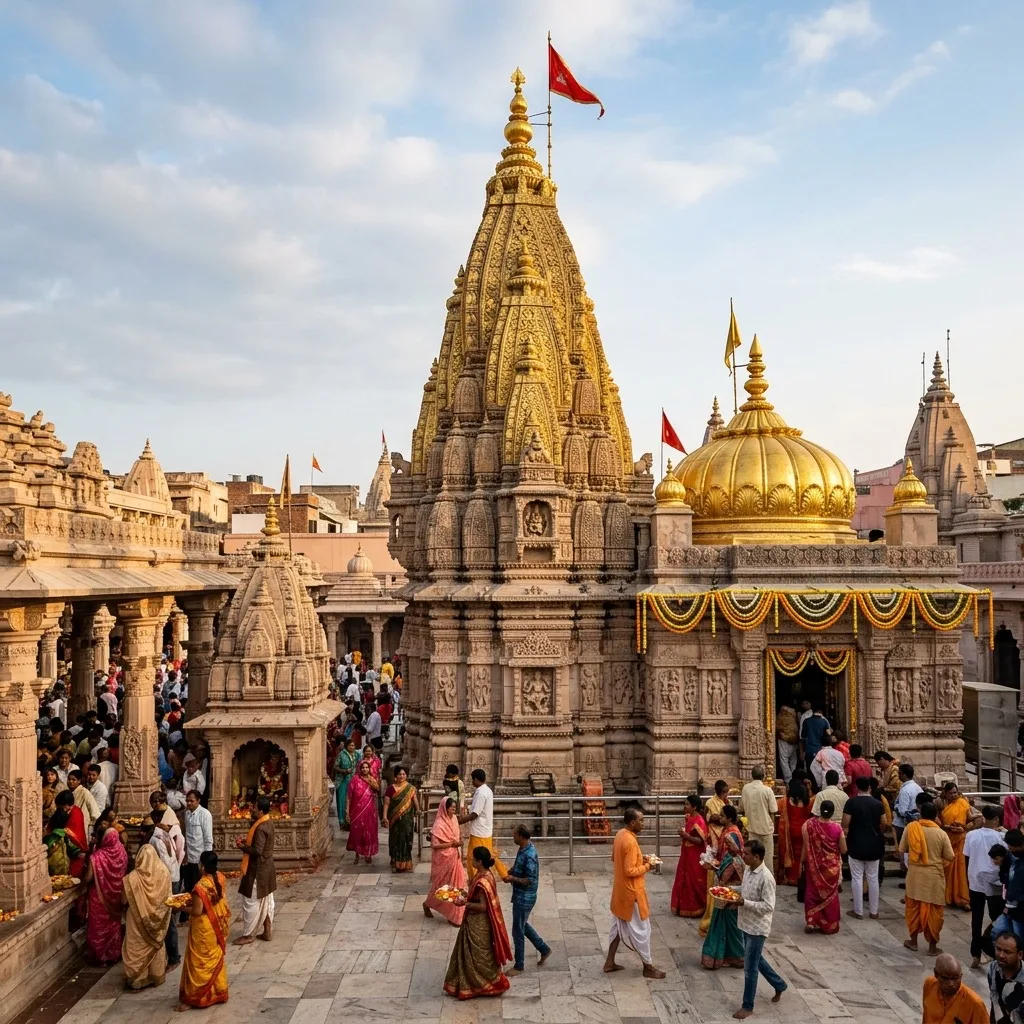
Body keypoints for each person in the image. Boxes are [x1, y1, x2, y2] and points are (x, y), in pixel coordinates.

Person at [443, 846, 512, 999]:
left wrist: (464, 903)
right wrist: (461, 894)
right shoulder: (485, 874)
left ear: (479, 861)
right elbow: (475, 897)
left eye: (473, 859)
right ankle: (469, 982)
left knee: (478, 955)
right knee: (471, 954)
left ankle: (482, 984)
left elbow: (482, 906)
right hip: (473, 921)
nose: (471, 861)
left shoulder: (484, 881)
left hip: (479, 924)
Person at [604, 807, 665, 978]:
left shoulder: (620, 834)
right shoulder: (630, 841)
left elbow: (616, 859)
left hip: (620, 892)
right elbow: (630, 870)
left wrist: (641, 858)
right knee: (642, 931)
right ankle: (648, 966)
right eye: (641, 820)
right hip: (632, 895)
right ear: (632, 822)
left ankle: (609, 962)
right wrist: (648, 865)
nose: (643, 824)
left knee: (617, 928)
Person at [732, 840, 787, 1020]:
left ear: (756, 856)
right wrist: (730, 891)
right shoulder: (749, 869)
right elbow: (745, 889)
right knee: (756, 959)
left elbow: (768, 906)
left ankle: (748, 1006)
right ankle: (779, 984)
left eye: (746, 854)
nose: (743, 856)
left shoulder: (766, 877)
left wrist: (744, 902)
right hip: (746, 922)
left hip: (757, 927)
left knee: (750, 968)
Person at [178, 850, 232, 1011]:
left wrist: (181, 907)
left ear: (202, 866)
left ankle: (195, 997)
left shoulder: (200, 887)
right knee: (213, 959)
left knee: (199, 962)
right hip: (217, 926)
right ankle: (217, 992)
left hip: (204, 929)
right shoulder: (221, 878)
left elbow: (196, 911)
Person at [900, 800, 955, 955]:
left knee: (913, 908)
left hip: (915, 876)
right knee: (934, 912)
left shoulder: (911, 828)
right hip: (934, 877)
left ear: (920, 814)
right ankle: (932, 947)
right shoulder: (941, 833)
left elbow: (902, 849)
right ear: (936, 815)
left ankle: (913, 942)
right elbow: (950, 856)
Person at [701, 804, 745, 970]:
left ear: (730, 819)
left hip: (730, 886)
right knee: (723, 921)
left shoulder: (732, 834)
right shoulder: (728, 832)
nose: (719, 817)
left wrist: (719, 875)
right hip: (725, 883)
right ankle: (726, 955)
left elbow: (734, 860)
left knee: (731, 923)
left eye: (722, 815)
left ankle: (736, 956)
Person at [122, 843, 171, 992]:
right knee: (155, 944)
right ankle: (155, 975)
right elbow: (169, 898)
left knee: (135, 944)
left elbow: (123, 900)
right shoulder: (164, 872)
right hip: (159, 917)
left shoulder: (132, 878)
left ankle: (138, 978)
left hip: (137, 917)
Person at [504, 824, 550, 975]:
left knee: (517, 929)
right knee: (522, 924)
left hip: (525, 897)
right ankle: (543, 948)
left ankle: (519, 965)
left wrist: (513, 878)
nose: (513, 837)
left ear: (522, 837)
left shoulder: (530, 854)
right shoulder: (522, 849)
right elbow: (520, 869)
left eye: (515, 835)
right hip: (519, 894)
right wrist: (512, 871)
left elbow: (529, 879)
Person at [84, 824, 129, 965]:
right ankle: (113, 953)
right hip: (116, 895)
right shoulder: (122, 851)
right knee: (113, 924)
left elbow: (88, 878)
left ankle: (100, 956)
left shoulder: (97, 856)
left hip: (99, 896)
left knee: (99, 925)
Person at [842, 775, 885, 920]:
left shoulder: (851, 803)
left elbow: (845, 824)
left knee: (857, 877)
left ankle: (858, 911)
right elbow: (884, 823)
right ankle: (874, 911)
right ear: (870, 788)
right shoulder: (878, 804)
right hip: (874, 843)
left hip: (856, 843)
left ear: (856, 787)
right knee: (872, 878)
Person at [235, 797, 276, 945]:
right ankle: (267, 931)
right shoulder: (268, 822)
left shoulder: (261, 827)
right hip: (267, 868)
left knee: (250, 901)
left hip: (258, 870)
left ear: (260, 811)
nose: (251, 809)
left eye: (254, 807)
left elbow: (257, 850)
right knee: (266, 900)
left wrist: (242, 846)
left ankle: (248, 935)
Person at [801, 800, 846, 934]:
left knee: (812, 892)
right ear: (832, 813)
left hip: (814, 866)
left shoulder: (808, 825)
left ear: (819, 810)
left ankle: (811, 921)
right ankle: (829, 924)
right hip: (831, 870)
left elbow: (805, 846)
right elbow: (844, 850)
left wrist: (802, 862)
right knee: (830, 896)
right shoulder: (837, 828)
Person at [423, 796, 467, 926]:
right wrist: (451, 844)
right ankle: (427, 904)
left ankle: (453, 914)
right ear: (445, 808)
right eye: (452, 807)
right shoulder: (439, 824)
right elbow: (434, 845)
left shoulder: (454, 819)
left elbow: (457, 837)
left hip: (455, 856)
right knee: (442, 887)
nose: (454, 810)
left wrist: (458, 843)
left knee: (457, 884)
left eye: (455, 807)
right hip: (443, 858)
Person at [460, 769, 507, 881]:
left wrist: (460, 821)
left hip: (479, 832)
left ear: (476, 779)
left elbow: (475, 814)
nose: (472, 782)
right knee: (489, 855)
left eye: (472, 779)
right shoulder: (487, 790)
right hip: (485, 830)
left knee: (474, 858)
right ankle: (503, 874)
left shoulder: (481, 793)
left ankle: (475, 880)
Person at [699, 780, 732, 937]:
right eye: (724, 792)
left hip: (724, 847)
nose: (726, 795)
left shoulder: (728, 803)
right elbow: (707, 817)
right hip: (715, 842)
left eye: (727, 792)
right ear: (719, 792)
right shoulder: (711, 802)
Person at [917, 953, 988, 1023]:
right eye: (945, 978)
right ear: (936, 974)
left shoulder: (975, 1003)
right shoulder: (930, 984)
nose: (950, 984)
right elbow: (926, 1017)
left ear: (961, 976)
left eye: (955, 978)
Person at [940, 781, 977, 910]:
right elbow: (939, 823)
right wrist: (949, 827)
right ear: (945, 794)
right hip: (948, 839)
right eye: (951, 793)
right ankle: (948, 896)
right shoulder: (940, 804)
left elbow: (972, 820)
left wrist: (964, 828)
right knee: (948, 868)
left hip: (961, 840)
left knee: (961, 869)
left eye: (955, 792)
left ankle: (962, 899)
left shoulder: (963, 803)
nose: (954, 795)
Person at [670, 794, 709, 917]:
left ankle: (697, 908)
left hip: (695, 855)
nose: (684, 806)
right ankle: (683, 907)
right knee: (684, 879)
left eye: (687, 804)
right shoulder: (689, 817)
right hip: (686, 853)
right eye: (685, 804)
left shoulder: (699, 821)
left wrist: (685, 836)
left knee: (694, 881)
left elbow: (700, 841)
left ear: (694, 807)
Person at [739, 767, 777, 879]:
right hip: (766, 830)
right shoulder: (767, 790)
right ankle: (767, 885)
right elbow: (773, 811)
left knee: (751, 860)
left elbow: (741, 808)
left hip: (752, 829)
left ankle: (751, 883)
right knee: (767, 861)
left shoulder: (746, 789)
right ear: (763, 776)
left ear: (752, 775)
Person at [182, 791, 213, 923]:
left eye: (191, 801)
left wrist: (206, 861)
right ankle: (189, 913)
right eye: (187, 801)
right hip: (190, 857)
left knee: (200, 888)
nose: (188, 803)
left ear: (198, 801)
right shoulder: (187, 814)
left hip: (200, 858)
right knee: (189, 885)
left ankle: (202, 910)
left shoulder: (204, 814)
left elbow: (208, 838)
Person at [382, 765, 419, 873]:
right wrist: (384, 817)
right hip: (395, 819)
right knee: (395, 840)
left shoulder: (410, 788)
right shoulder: (390, 789)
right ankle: (395, 862)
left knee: (407, 840)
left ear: (406, 776)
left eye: (403, 774)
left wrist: (418, 810)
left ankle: (406, 863)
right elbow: (386, 804)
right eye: (399, 774)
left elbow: (415, 800)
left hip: (407, 819)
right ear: (395, 776)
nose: (402, 776)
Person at [778, 777, 811, 887]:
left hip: (791, 830)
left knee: (792, 854)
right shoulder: (808, 801)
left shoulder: (786, 801)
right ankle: (801, 877)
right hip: (804, 830)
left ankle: (792, 877)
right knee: (802, 853)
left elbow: (775, 807)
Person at [346, 758, 380, 864]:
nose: (365, 769)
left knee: (369, 832)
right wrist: (347, 810)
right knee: (357, 832)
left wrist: (371, 782)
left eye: (367, 767)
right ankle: (357, 854)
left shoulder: (371, 779)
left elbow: (377, 789)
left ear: (369, 769)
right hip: (357, 811)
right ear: (359, 769)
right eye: (363, 768)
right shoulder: (354, 780)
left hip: (369, 811)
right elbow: (349, 797)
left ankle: (368, 854)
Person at [988, 932, 1024, 1024]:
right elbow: (994, 999)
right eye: (998, 949)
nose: (1001, 955)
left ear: (1019, 955)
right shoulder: (993, 968)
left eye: (1007, 952)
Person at [893, 763, 923, 853]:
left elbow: (902, 811)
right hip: (916, 823)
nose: (898, 775)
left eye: (900, 773)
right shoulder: (918, 788)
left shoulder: (905, 790)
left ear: (904, 775)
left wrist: (896, 806)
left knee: (904, 851)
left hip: (903, 825)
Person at [333, 739, 359, 830]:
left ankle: (351, 821)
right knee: (342, 801)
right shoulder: (341, 754)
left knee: (352, 801)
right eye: (350, 745)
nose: (352, 747)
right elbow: (335, 766)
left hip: (353, 781)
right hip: (342, 781)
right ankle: (342, 822)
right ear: (346, 746)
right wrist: (344, 771)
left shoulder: (356, 754)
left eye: (353, 745)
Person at [67, 768, 100, 833]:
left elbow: (95, 812)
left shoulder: (85, 792)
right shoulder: (67, 793)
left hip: (82, 825)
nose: (70, 781)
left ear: (79, 781)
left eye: (73, 780)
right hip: (69, 826)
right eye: (69, 779)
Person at [775, 703, 799, 783]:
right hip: (793, 740)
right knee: (793, 760)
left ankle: (788, 779)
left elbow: (776, 726)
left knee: (784, 760)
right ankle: (794, 776)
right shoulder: (793, 716)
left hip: (783, 739)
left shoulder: (781, 716)